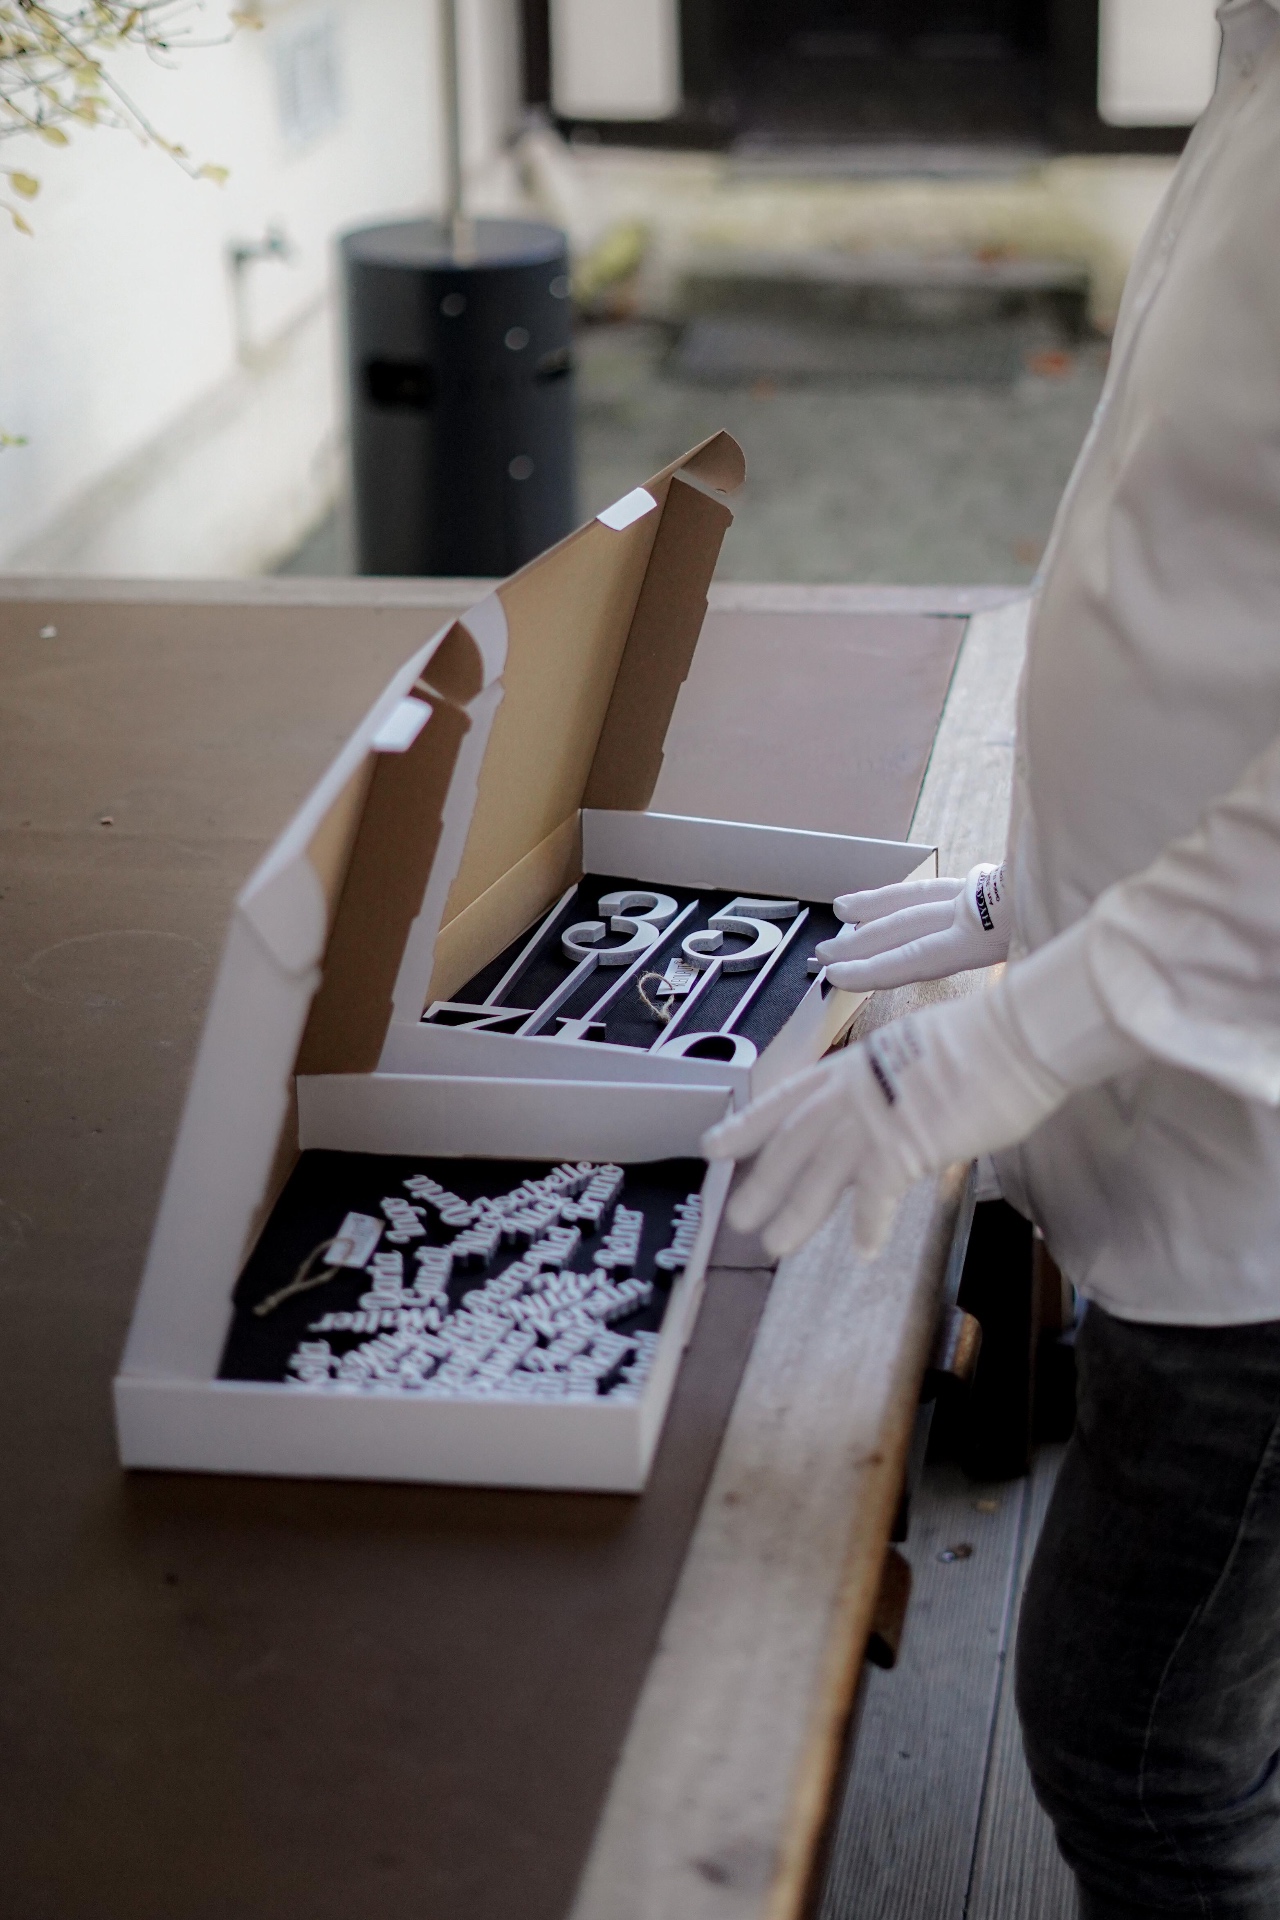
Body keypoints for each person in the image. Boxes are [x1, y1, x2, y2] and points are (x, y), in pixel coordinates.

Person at [703, 5, 1280, 1913]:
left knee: (1143, 1755)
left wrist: (972, 1057)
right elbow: (1208, 578)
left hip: (1262, 1188)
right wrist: (1029, 895)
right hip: (1167, 1061)